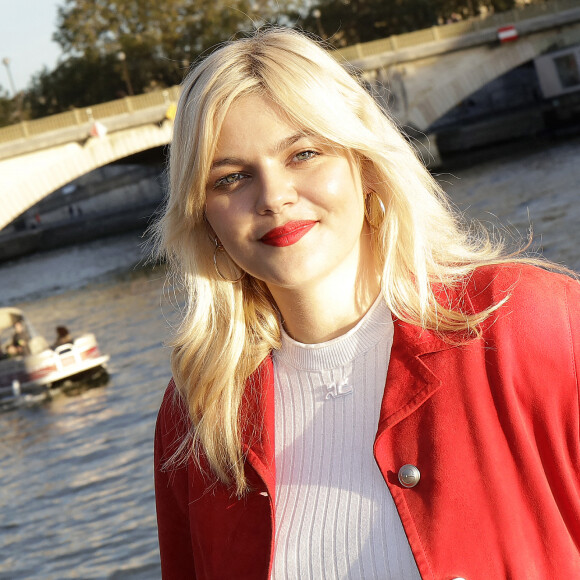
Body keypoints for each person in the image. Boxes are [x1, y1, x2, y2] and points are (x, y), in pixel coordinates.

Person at [152, 28, 580, 579]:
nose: (274, 196)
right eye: (231, 177)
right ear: (202, 216)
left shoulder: (524, 323)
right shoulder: (197, 419)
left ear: (367, 165)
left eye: (303, 153)